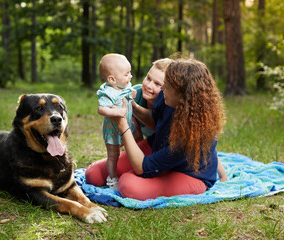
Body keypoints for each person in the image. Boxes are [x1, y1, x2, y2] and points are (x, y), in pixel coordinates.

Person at [86, 57, 226, 200]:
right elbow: (154, 120)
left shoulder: (190, 136)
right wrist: (131, 106)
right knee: (94, 175)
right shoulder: (166, 97)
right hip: (157, 147)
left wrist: (123, 124)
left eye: (166, 86)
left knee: (128, 185)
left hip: (189, 173)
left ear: (182, 96)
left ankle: (162, 176)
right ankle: (158, 174)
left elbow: (142, 167)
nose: (163, 88)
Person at [96, 53, 138, 191]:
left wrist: (132, 94)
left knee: (130, 150)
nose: (130, 76)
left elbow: (129, 95)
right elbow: (101, 109)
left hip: (127, 127)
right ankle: (112, 178)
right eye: (127, 74)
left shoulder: (124, 86)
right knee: (113, 155)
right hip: (112, 130)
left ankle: (131, 172)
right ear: (112, 79)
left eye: (130, 73)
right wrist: (117, 112)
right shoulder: (107, 93)